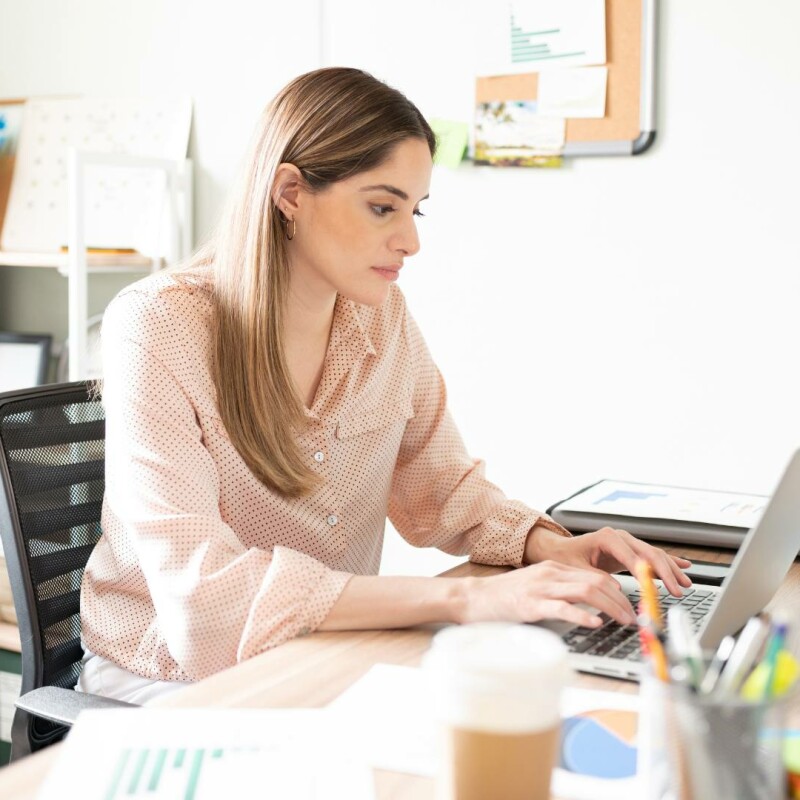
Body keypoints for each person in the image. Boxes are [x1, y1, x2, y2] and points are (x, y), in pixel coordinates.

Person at [78, 68, 690, 703]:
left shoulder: (381, 315)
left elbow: (441, 486)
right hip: (166, 677)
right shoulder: (157, 325)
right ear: (290, 192)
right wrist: (468, 596)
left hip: (322, 652)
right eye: (382, 207)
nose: (412, 240)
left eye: (415, 209)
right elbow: (203, 599)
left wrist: (551, 548)